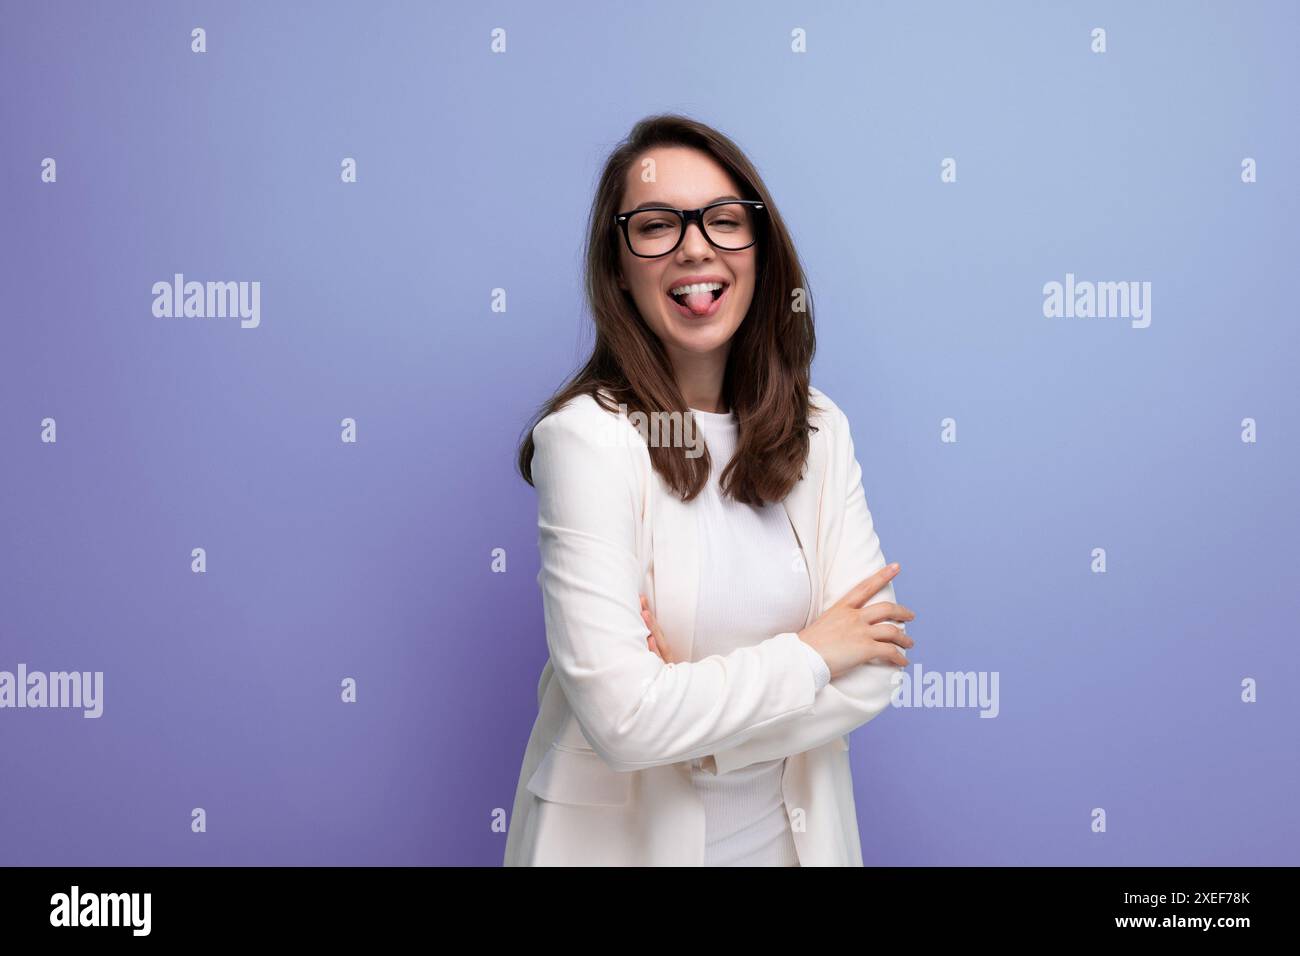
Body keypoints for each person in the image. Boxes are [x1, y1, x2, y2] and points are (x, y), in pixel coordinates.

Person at [505, 113, 916, 866]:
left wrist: (690, 716)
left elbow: (874, 667)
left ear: (760, 249)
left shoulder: (819, 430)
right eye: (657, 225)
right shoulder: (588, 441)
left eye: (725, 220)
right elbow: (623, 720)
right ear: (618, 265)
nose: (696, 245)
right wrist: (811, 654)